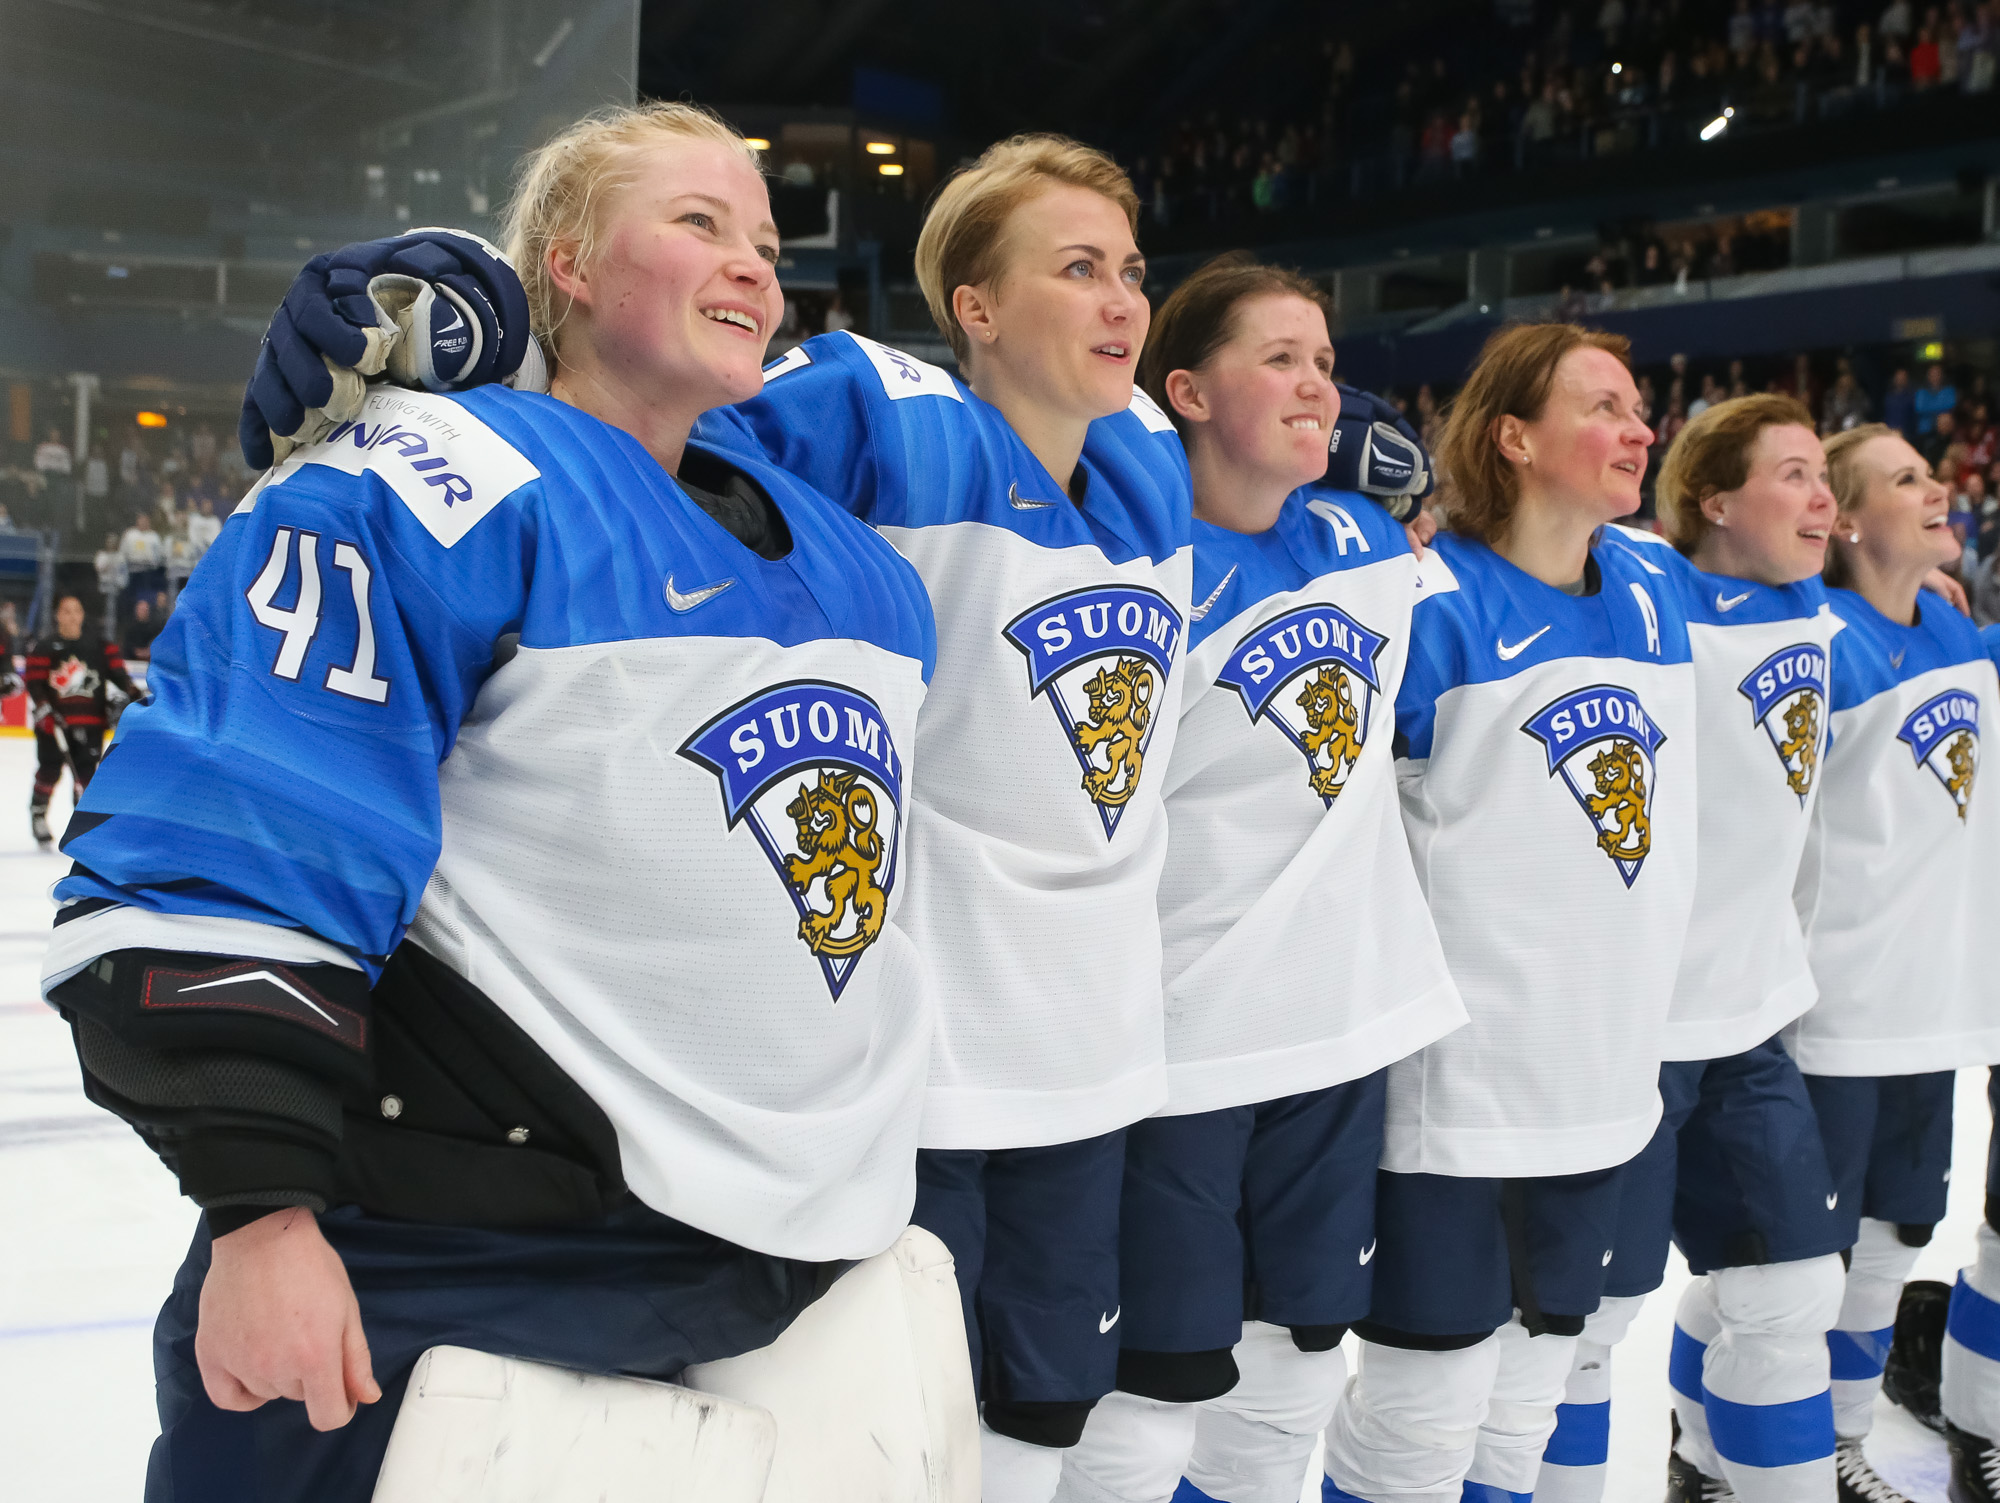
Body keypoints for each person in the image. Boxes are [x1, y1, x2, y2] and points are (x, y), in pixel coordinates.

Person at [244, 133, 1194, 1503]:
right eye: (1080, 267)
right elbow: (637, 437)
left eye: (1133, 271)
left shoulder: (1152, 456)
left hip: (1099, 1052)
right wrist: (444, 359)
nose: (1120, 299)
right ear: (975, 308)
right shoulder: (886, 408)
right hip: (900, 1074)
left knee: (1039, 1425)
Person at [44, 102, 959, 1502]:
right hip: (472, 1253)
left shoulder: (854, 557)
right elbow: (250, 823)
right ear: (574, 264)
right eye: (700, 224)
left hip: (794, 1260)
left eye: (767, 243)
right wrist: (261, 1218)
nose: (754, 268)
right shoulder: (440, 477)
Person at [1053, 257, 1464, 1503]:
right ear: (1180, 390)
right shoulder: (1127, 556)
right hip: (1174, 1046)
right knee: (1147, 1402)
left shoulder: (1362, 541)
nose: (1318, 386)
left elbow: (1526, 619)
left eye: (1326, 363)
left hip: (1337, 1033)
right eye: (1278, 358)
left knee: (1291, 1376)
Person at [1320, 323, 1698, 1503]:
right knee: (1421, 1416)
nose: (1637, 428)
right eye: (1601, 405)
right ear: (1512, 436)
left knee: (1532, 1402)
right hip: (1460, 1089)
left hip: (1603, 1078)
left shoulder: (1652, 581)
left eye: (1639, 406)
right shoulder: (1429, 601)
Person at [1536, 396, 1852, 1503]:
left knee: (1789, 1294)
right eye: (1793, 476)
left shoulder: (1816, 609)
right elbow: (1549, 535)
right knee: (1583, 1324)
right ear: (1713, 502)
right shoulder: (1648, 580)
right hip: (1628, 1032)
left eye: (1824, 478)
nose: (1823, 499)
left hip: (1750, 1015)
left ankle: (1710, 1466)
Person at [1789, 422, 2000, 1501]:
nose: (1935, 493)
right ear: (1848, 518)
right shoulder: (1812, 643)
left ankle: (1839, 1443)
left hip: (1933, 1004)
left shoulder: (1963, 638)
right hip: (1831, 1006)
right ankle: (1703, 1448)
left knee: (1889, 1243)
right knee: (1783, 1273)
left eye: (1932, 474)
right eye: (1905, 481)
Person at [24, 592, 138, 846]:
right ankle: (38, 814)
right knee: (49, 770)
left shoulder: (100, 645)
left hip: (91, 723)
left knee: (86, 774)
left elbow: (121, 677)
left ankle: (82, 827)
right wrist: (43, 707)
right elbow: (34, 682)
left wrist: (135, 696)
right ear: (57, 615)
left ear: (83, 614)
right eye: (66, 610)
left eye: (76, 610)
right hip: (55, 725)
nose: (72, 616)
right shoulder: (45, 646)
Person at [92, 531, 126, 642]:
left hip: (116, 590)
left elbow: (122, 573)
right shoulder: (101, 554)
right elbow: (99, 568)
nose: (111, 543)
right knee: (102, 615)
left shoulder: (120, 556)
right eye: (109, 541)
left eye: (113, 542)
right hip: (103, 589)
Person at [1917, 362, 1959, 435]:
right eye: (1932, 374)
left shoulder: (1949, 390)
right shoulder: (1921, 392)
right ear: (1928, 375)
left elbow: (1950, 406)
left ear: (1942, 375)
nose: (1935, 376)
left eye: (1937, 373)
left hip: (1945, 430)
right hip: (1925, 431)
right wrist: (1940, 407)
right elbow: (1920, 408)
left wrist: (1930, 405)